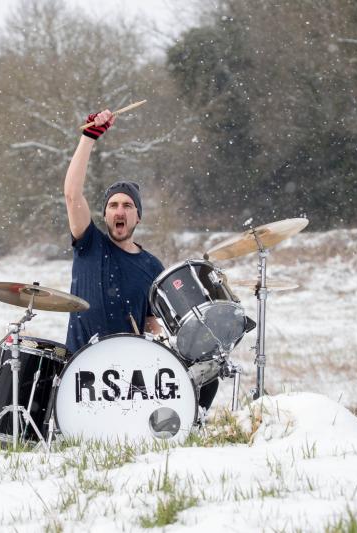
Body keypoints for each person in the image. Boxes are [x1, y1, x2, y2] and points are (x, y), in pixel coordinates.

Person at [64, 109, 220, 411]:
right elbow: (72, 194)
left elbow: (152, 323)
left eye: (126, 205)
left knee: (207, 375)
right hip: (83, 370)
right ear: (105, 214)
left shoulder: (152, 267)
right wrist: (89, 137)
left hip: (130, 376)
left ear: (138, 215)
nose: (118, 211)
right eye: (112, 205)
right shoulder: (90, 243)